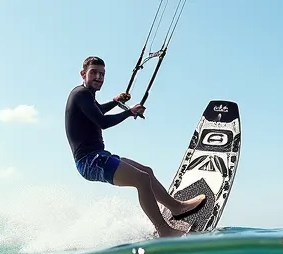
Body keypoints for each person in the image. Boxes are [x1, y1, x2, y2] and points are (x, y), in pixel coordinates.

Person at [65, 56, 206, 239]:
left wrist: (116, 101)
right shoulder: (80, 94)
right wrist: (129, 112)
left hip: (99, 156)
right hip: (90, 161)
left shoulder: (86, 95)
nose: (99, 77)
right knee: (141, 179)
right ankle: (164, 230)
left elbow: (97, 111)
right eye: (94, 73)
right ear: (83, 74)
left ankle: (176, 207)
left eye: (102, 74)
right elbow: (102, 121)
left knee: (146, 171)